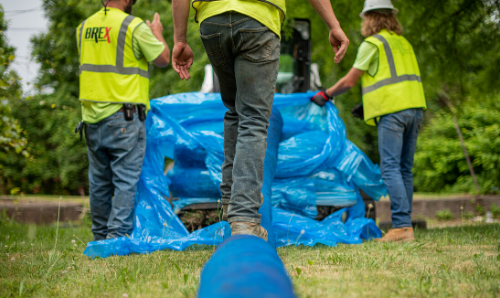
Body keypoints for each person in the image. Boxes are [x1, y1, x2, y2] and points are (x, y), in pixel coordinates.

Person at [171, 0, 349, 241]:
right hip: (258, 16)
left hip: (213, 20)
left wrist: (180, 40)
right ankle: (244, 218)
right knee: (253, 119)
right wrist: (334, 25)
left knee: (235, 111)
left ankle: (230, 205)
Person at [312, 0, 426, 243]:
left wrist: (326, 94)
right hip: (415, 109)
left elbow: (350, 81)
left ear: (370, 19)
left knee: (390, 168)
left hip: (393, 113)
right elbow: (396, 77)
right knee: (404, 168)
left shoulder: (372, 43)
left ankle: (402, 227)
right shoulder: (403, 43)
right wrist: (368, 105)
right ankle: (404, 225)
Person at [76, 0, 170, 241]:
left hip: (91, 118)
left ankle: (99, 238)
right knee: (125, 181)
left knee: (98, 183)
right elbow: (162, 58)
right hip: (123, 118)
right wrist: (157, 34)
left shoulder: (84, 28)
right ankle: (117, 239)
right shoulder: (133, 26)